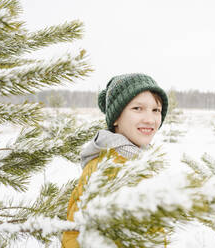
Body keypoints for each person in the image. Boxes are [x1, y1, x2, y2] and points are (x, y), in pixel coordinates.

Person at [61, 73, 168, 248]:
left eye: (156, 110)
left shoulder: (136, 160)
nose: (150, 119)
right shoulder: (105, 169)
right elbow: (75, 233)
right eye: (137, 108)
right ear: (117, 117)